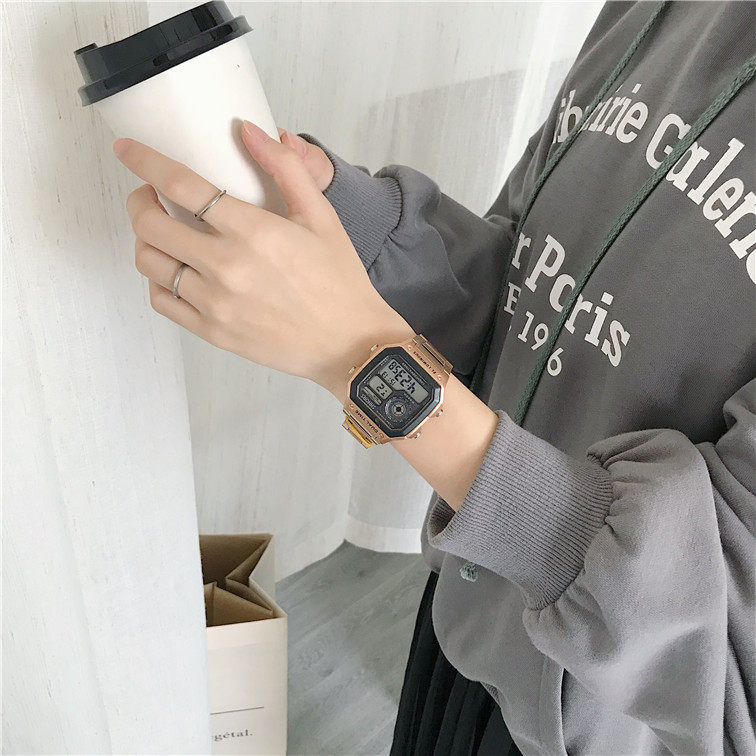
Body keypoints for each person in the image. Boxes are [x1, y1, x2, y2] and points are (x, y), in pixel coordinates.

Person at [112, 1, 754, 753]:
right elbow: (523, 285)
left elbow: (730, 655)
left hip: (597, 718)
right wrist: (355, 224)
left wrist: (359, 354)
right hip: (466, 605)